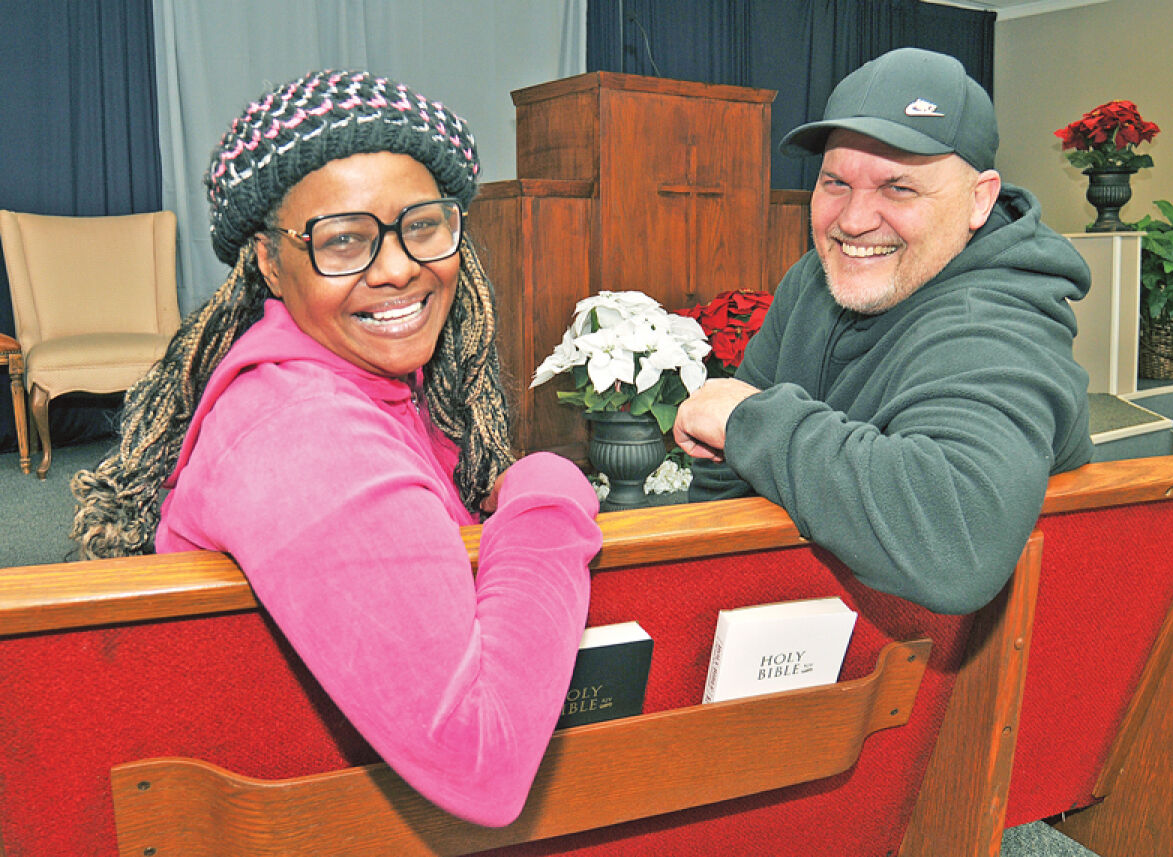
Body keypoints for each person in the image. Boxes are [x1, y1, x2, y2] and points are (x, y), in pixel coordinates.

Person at [70, 69, 602, 827]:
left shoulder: (372, 385)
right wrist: (547, 487)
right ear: (266, 262)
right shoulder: (302, 436)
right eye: (344, 239)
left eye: (421, 224)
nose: (396, 268)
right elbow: (481, 761)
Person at [673, 48, 1093, 615]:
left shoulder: (994, 321)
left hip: (948, 669)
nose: (852, 220)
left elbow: (956, 544)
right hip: (814, 622)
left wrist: (749, 420)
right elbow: (727, 470)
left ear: (979, 199)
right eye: (835, 182)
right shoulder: (816, 279)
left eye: (899, 188)